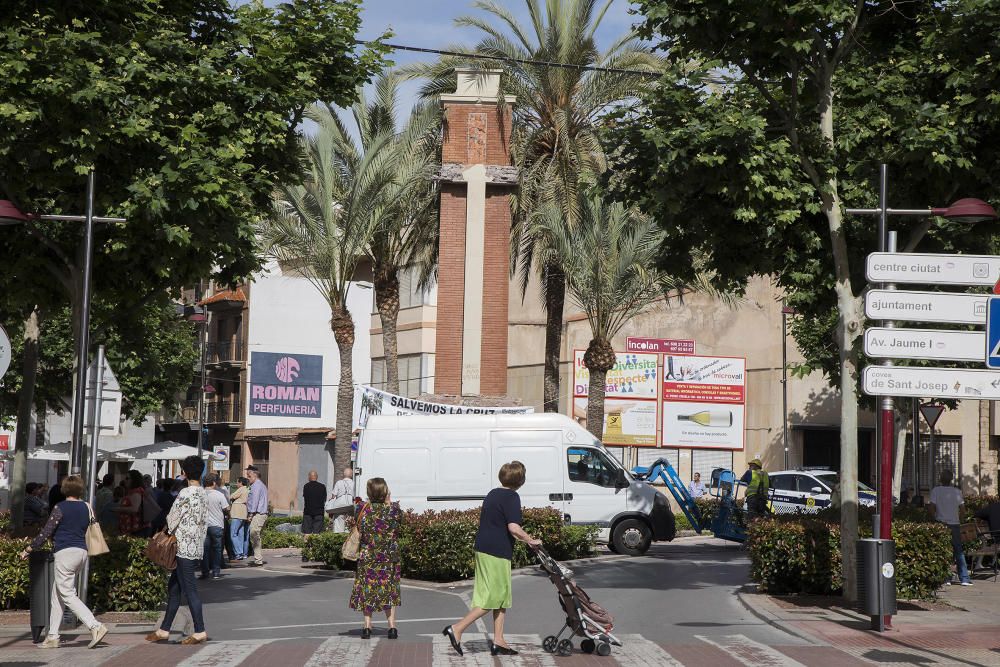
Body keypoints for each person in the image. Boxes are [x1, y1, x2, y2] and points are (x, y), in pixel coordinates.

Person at [442, 461, 542, 657]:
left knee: (501, 597)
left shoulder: (493, 494)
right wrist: (531, 540)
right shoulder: (512, 497)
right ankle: (457, 628)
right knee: (493, 598)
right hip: (497, 552)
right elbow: (513, 527)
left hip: (483, 548)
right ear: (521, 480)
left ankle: (499, 641)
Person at [19, 475, 108, 650]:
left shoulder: (60, 507)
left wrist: (28, 549)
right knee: (57, 595)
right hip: (82, 552)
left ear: (64, 489)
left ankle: (95, 626)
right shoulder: (87, 507)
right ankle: (52, 636)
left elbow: (46, 532)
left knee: (67, 594)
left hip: (65, 552)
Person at [146, 455, 209, 645]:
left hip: (182, 547)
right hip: (196, 546)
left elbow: (172, 518)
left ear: (185, 473)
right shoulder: (203, 493)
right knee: (174, 589)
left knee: (190, 590)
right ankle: (164, 630)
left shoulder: (185, 493)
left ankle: (200, 630)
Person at [349, 478, 402, 639]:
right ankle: (392, 627)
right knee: (389, 589)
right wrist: (389, 501)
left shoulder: (362, 509)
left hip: (368, 556)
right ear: (385, 492)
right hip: (388, 556)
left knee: (368, 589)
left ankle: (367, 626)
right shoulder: (394, 511)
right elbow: (398, 529)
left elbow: (358, 527)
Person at [928, 470, 972, 586]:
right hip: (955, 524)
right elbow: (962, 509)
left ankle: (946, 578)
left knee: (944, 551)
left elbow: (931, 507)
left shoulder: (936, 491)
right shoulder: (957, 492)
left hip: (941, 524)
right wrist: (960, 519)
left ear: (940, 479)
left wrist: (934, 518)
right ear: (951, 479)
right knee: (958, 551)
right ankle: (964, 579)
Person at [201, 474, 228, 580]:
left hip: (203, 526)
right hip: (217, 525)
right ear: (213, 483)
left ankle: (205, 572)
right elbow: (226, 508)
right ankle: (216, 572)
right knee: (217, 549)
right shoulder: (219, 494)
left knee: (204, 550)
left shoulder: (200, 494)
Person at [114, 470, 151, 537]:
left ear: (134, 480)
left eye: (127, 478)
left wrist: (118, 509)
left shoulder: (136, 492)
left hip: (137, 529)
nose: (125, 480)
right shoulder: (132, 492)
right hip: (134, 529)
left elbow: (135, 509)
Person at [246, 465, 269, 567]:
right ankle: (258, 558)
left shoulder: (256, 486)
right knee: (257, 537)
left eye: (249, 476)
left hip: (258, 514)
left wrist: (250, 514)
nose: (248, 478)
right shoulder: (262, 485)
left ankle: (258, 560)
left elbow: (254, 501)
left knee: (254, 536)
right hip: (262, 514)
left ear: (255, 475)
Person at [301, 469, 327, 540]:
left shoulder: (306, 486)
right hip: (319, 512)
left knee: (307, 533)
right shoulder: (322, 487)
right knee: (317, 534)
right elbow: (324, 499)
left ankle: (307, 548)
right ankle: (316, 548)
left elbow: (305, 497)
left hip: (308, 512)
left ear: (309, 477)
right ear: (317, 477)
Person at [229, 477, 250, 561]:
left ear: (241, 483)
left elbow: (232, 496)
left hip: (237, 514)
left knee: (233, 534)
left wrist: (233, 498)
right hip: (243, 515)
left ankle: (238, 553)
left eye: (237, 482)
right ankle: (243, 553)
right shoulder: (248, 489)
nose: (237, 484)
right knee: (241, 535)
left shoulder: (241, 489)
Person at [329, 467, 355, 534]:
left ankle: (339, 541)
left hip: (339, 507)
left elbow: (333, 496)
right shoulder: (354, 483)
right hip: (350, 507)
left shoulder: (339, 482)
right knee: (349, 527)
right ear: (351, 475)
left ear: (343, 474)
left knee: (338, 527)